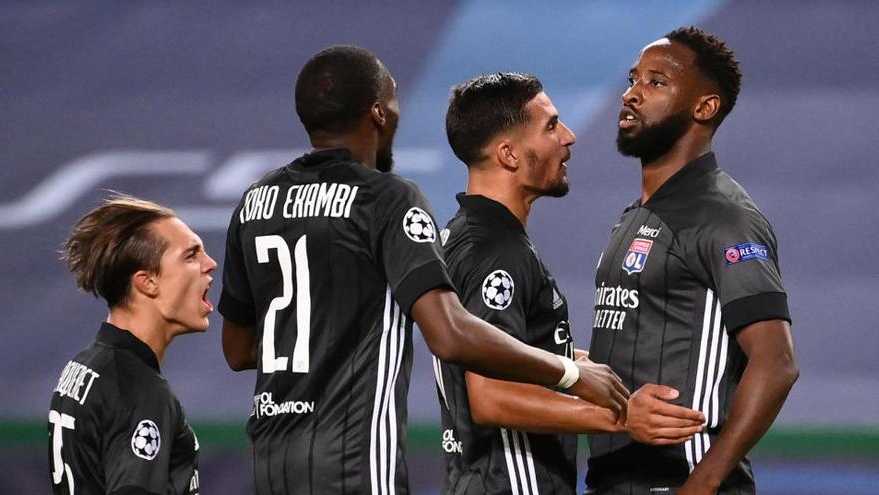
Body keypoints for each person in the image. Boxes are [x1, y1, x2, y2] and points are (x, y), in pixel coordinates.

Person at [218, 45, 628, 494]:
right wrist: (569, 374)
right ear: (377, 112)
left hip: (270, 458)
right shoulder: (387, 198)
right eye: (394, 102)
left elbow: (238, 350)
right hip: (354, 458)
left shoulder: (255, 201)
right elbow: (451, 334)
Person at [437, 72, 705, 494]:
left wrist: (575, 361)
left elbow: (506, 349)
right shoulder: (493, 252)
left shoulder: (468, 234)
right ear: (508, 154)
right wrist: (619, 418)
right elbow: (490, 395)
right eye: (550, 126)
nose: (569, 136)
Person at [585, 27, 799, 495]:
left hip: (680, 479)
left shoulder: (722, 215)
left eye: (656, 82)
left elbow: (776, 362)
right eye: (633, 78)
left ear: (704, 107)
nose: (632, 94)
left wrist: (702, 483)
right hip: (616, 479)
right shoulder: (637, 216)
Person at [48, 194, 216, 494]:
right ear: (147, 281)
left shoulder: (86, 367)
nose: (210, 264)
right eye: (191, 256)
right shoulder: (139, 391)